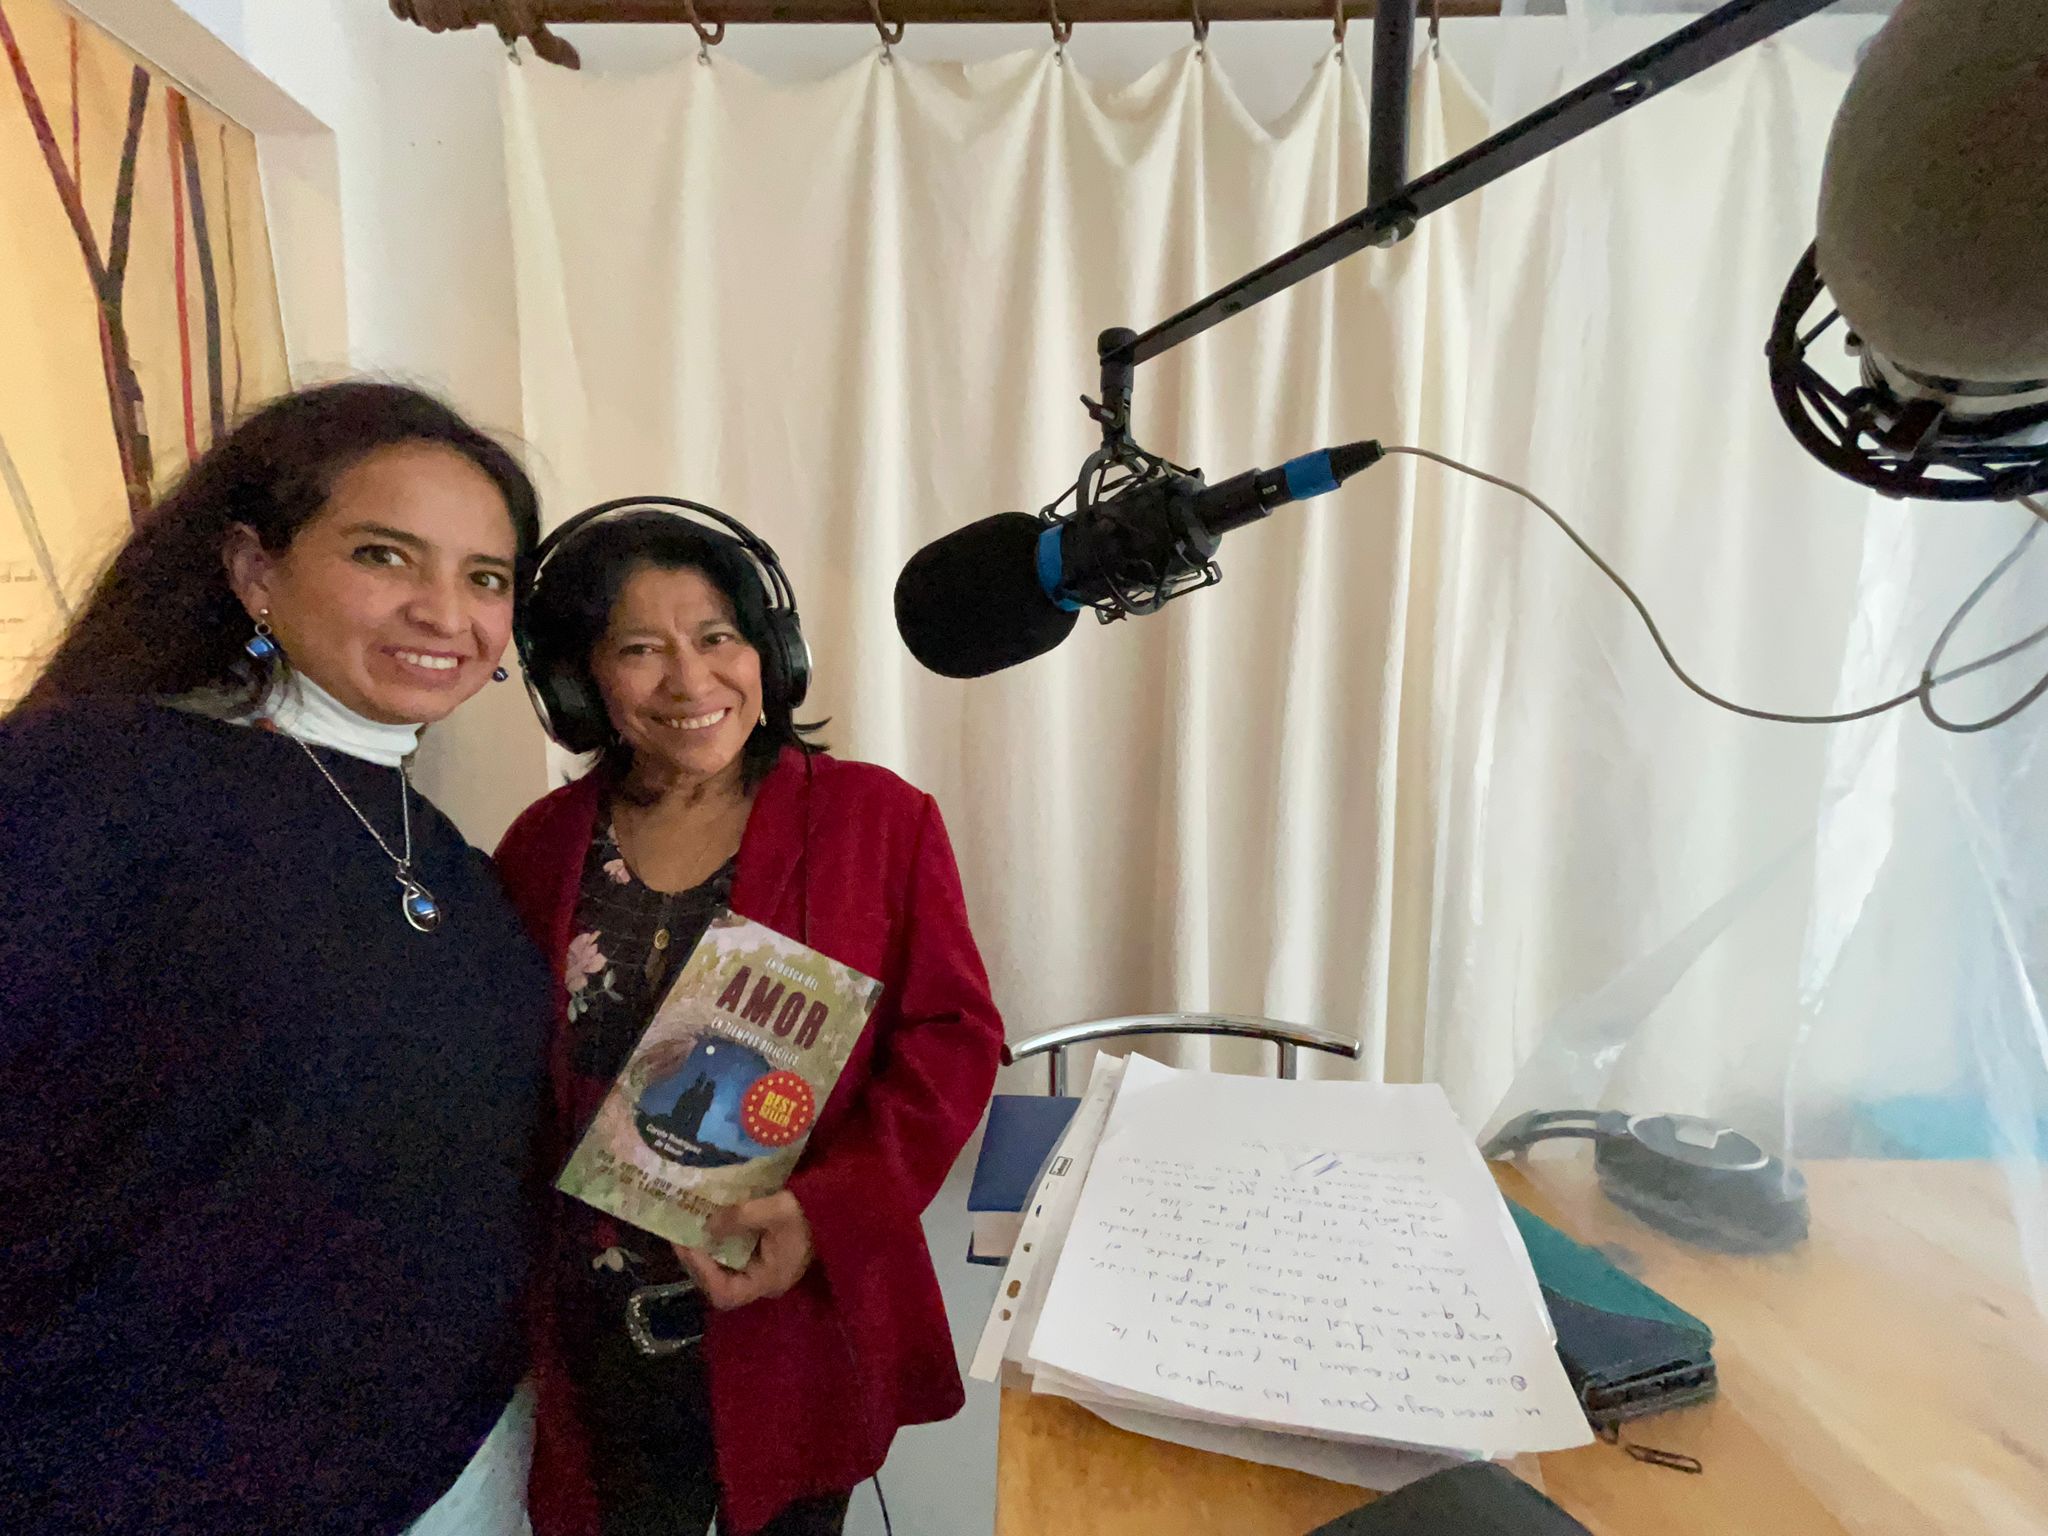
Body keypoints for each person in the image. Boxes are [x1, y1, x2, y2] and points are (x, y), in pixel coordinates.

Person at [0, 382, 555, 1535]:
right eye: (384, 555)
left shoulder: (446, 854)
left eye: (485, 578)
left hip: (447, 1466)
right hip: (145, 1479)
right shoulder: (89, 779)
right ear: (256, 572)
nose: (444, 612)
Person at [495, 501, 1004, 1536]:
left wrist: (827, 1211)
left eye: (717, 636)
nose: (691, 681)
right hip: (595, 1336)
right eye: (639, 649)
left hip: (789, 1320)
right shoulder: (540, 846)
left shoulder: (877, 819)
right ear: (577, 682)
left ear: (771, 651)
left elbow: (953, 1040)